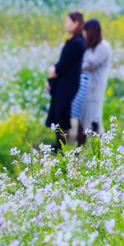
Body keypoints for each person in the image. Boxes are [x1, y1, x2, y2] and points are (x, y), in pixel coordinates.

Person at [45, 11, 85, 152]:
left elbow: (62, 65)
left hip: (67, 85)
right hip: (65, 84)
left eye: (69, 22)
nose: (66, 25)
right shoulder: (76, 41)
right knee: (60, 115)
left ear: (77, 23)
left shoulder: (77, 43)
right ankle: (60, 147)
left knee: (61, 116)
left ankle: (61, 148)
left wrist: (52, 73)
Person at [77, 19, 111, 147]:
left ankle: (99, 149)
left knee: (94, 117)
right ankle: (86, 149)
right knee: (85, 117)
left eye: (85, 32)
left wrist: (82, 65)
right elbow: (86, 65)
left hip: (96, 87)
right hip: (85, 88)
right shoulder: (90, 47)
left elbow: (92, 64)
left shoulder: (103, 47)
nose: (83, 35)